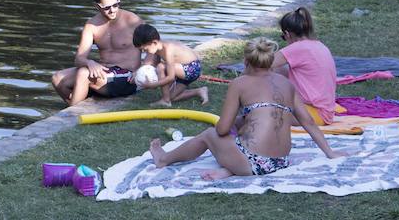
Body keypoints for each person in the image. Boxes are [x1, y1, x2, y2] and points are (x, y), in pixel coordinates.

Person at [148, 37, 346, 179]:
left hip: (255, 162)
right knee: (243, 122)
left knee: (209, 134)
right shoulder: (287, 84)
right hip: (281, 161)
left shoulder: (240, 83)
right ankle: (230, 169)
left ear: (246, 61)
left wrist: (228, 128)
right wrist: (329, 152)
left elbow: (222, 130)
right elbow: (309, 122)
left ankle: (163, 159)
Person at [51, 0, 142, 106]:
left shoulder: (132, 20)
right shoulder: (91, 25)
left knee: (83, 73)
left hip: (127, 77)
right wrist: (90, 62)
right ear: (97, 6)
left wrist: (144, 69)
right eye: (107, 7)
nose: (113, 10)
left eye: (115, 5)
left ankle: (72, 117)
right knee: (57, 78)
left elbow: (154, 47)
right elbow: (79, 59)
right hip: (104, 72)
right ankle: (77, 107)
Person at [270, 7, 338, 125]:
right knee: (278, 69)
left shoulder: (298, 48)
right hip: (325, 112)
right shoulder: (319, 45)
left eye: (283, 37)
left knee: (257, 114)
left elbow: (261, 63)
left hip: (313, 114)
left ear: (287, 34)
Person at [132, 23, 209, 106]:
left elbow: (170, 77)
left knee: (161, 67)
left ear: (154, 42)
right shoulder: (157, 47)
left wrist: (152, 85)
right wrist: (138, 73)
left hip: (192, 68)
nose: (144, 52)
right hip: (182, 70)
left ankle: (165, 100)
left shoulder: (168, 49)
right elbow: (151, 65)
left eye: (145, 49)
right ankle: (199, 91)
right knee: (173, 97)